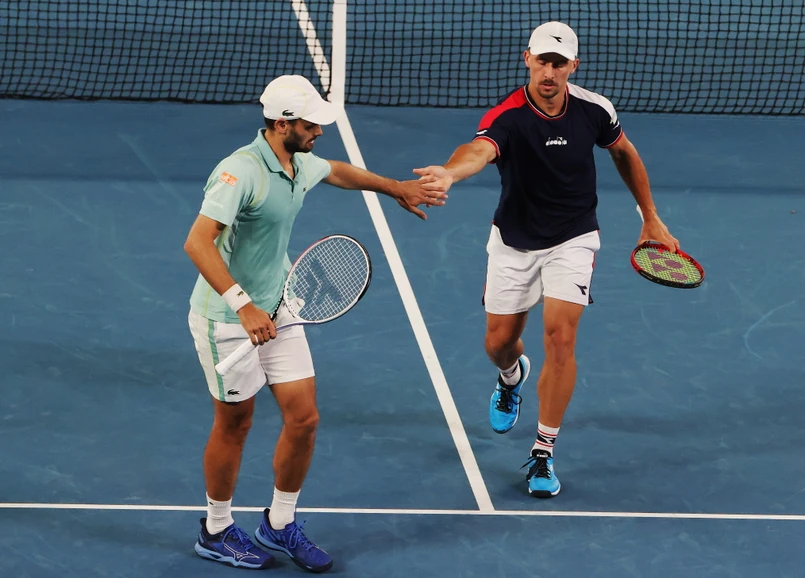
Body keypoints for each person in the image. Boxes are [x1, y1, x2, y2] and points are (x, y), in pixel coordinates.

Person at [184, 74, 446, 571]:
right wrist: (243, 305)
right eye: (311, 124)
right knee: (235, 424)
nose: (319, 132)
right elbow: (197, 242)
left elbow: (337, 172)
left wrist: (395, 188)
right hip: (226, 318)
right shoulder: (239, 173)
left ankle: (279, 523)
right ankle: (215, 530)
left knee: (304, 420)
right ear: (282, 124)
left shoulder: (297, 161)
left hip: (280, 307)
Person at [414, 22, 679, 498]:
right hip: (514, 241)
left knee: (561, 337)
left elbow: (623, 152)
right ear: (528, 59)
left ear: (573, 65)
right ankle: (511, 375)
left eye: (559, 63)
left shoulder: (594, 110)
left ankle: (543, 452)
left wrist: (650, 217)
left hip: (573, 237)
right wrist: (451, 173)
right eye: (542, 61)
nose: (549, 72)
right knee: (499, 343)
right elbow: (478, 150)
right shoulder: (509, 116)